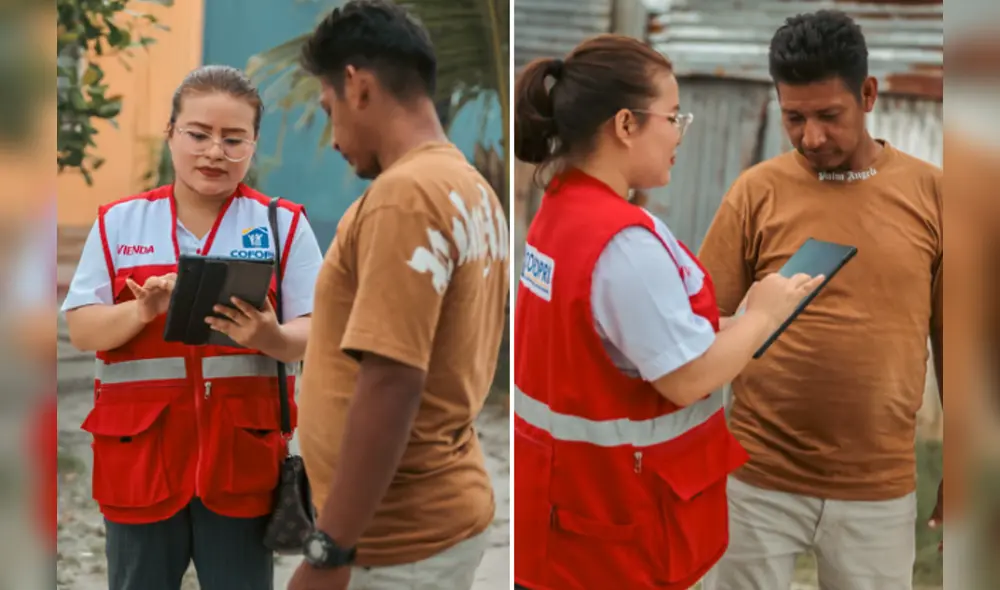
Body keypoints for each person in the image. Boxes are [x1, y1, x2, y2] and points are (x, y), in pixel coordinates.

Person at [511, 34, 824, 590]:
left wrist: (740, 322)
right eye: (673, 116)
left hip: (573, 517)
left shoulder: (561, 209)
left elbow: (636, 344)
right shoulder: (621, 244)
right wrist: (762, 317)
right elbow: (686, 378)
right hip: (621, 538)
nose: (680, 132)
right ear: (626, 125)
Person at [698, 11, 943, 590]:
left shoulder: (932, 194)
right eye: (794, 117)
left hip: (877, 488)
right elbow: (702, 324)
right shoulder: (756, 192)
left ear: (868, 94)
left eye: (829, 116)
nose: (811, 137)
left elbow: (953, 333)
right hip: (755, 479)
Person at [62, 64, 324, 590]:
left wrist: (269, 338)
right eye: (198, 135)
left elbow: (318, 330)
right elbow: (83, 329)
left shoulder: (281, 224)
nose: (214, 153)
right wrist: (140, 313)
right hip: (140, 460)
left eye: (233, 139)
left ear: (252, 144)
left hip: (242, 464)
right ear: (171, 134)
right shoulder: (120, 222)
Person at [286, 2, 509, 590]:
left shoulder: (405, 197)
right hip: (432, 522)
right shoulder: (470, 187)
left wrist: (329, 551)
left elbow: (392, 380)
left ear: (357, 86)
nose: (332, 137)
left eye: (327, 109)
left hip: (394, 547)